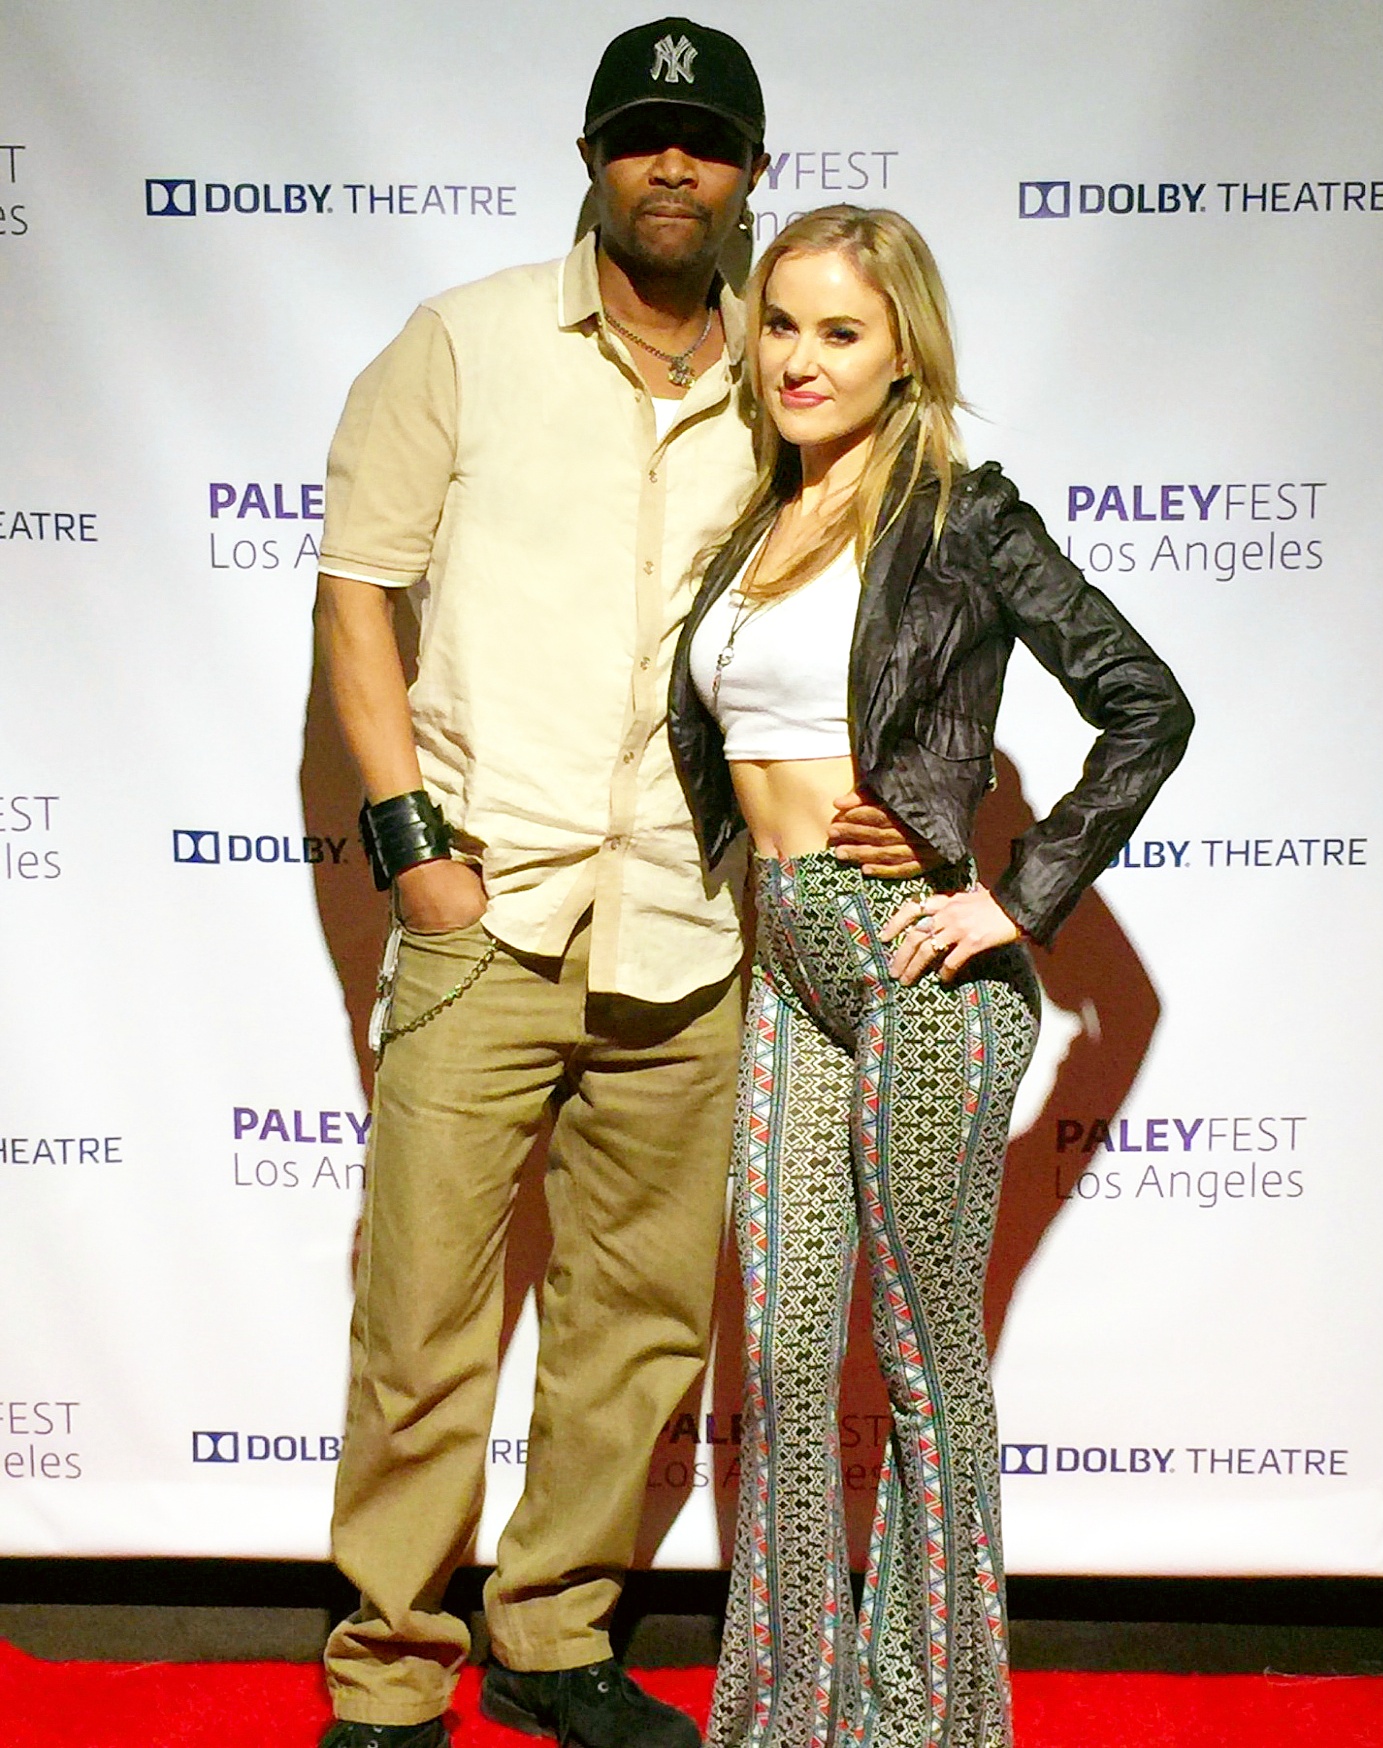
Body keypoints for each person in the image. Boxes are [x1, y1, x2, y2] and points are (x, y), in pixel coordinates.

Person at [313, 29, 930, 1748]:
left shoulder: (794, 379)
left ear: (749, 171)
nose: (676, 169)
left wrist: (916, 803)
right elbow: (357, 591)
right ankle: (383, 1667)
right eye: (646, 138)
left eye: (709, 145)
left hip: (697, 918)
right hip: (485, 909)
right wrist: (406, 847)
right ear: (591, 151)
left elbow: (905, 598)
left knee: (641, 1324)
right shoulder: (466, 340)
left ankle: (555, 1633)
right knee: (424, 1320)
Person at [668, 206, 1193, 1748]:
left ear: (902, 348)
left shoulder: (962, 510)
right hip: (791, 959)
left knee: (914, 1351)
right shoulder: (753, 522)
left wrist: (1012, 900)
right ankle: (781, 1712)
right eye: (779, 325)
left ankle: (932, 1722)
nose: (800, 360)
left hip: (918, 978)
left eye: (840, 331)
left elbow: (1144, 706)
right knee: (781, 1339)